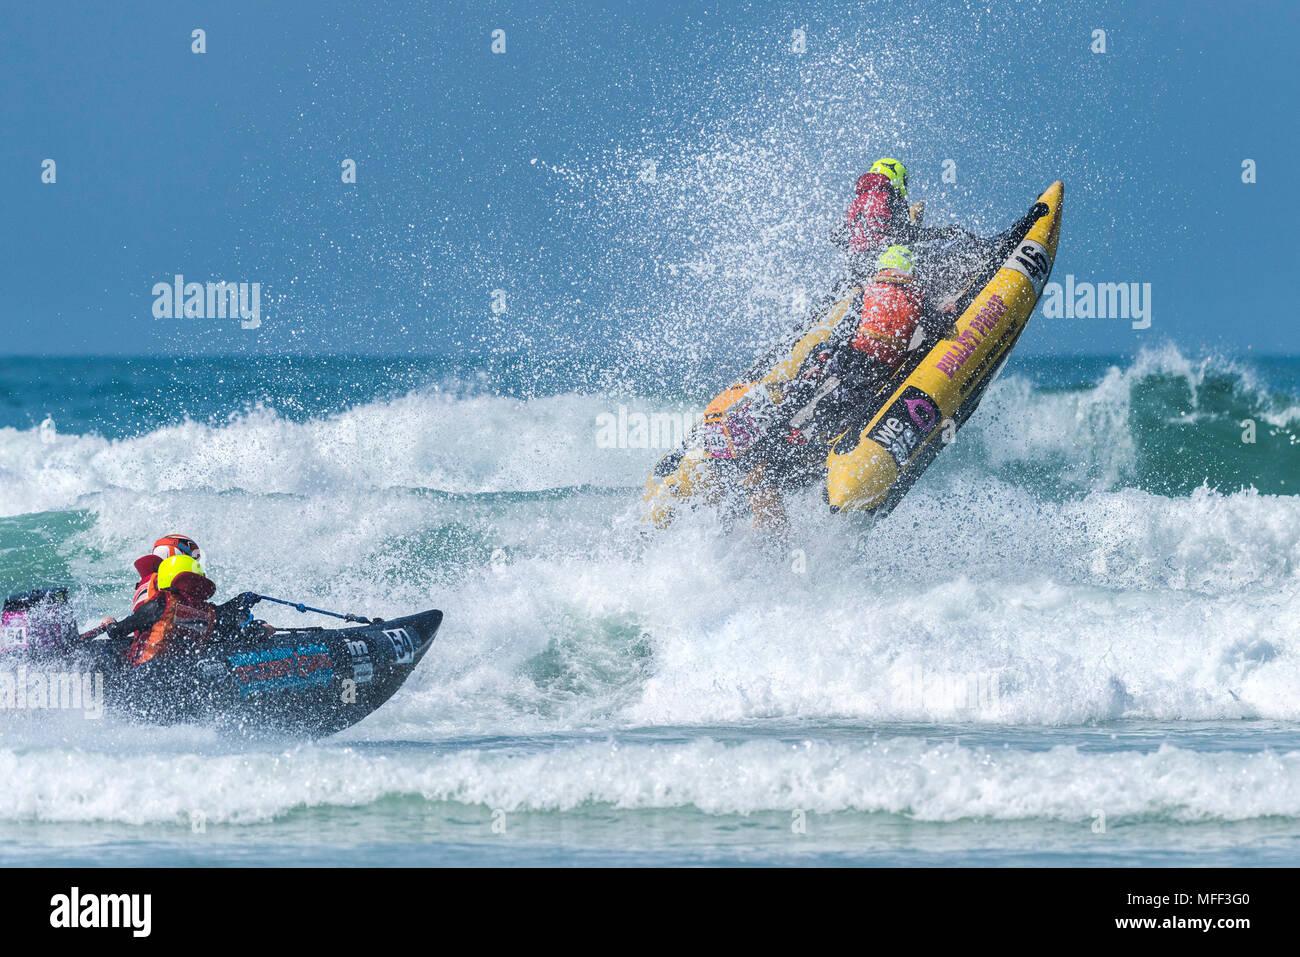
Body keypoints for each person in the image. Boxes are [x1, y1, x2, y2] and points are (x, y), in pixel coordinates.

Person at [98, 540, 273, 666]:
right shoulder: (204, 612)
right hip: (183, 672)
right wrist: (259, 629)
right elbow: (227, 631)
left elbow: (117, 632)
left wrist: (109, 623)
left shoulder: (158, 605)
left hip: (147, 670)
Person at [831, 158, 979, 278]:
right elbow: (906, 235)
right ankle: (978, 263)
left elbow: (836, 236)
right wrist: (942, 232)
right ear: (896, 174)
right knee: (937, 255)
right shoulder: (891, 196)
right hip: (884, 260)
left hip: (857, 266)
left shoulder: (856, 203)